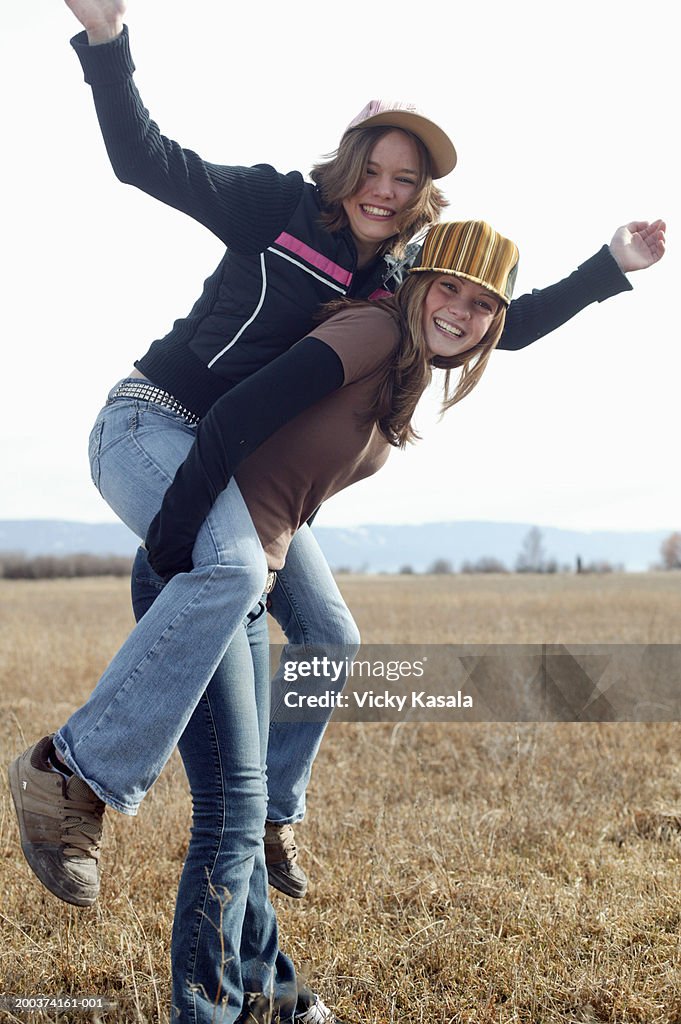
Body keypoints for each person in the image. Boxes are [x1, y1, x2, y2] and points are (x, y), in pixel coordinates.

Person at [51, 0, 666, 901]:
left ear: (423, 196)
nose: (384, 189)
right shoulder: (274, 205)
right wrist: (108, 44)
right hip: (154, 420)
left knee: (333, 636)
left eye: (405, 180)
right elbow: (146, 160)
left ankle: (270, 814)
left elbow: (501, 325)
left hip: (245, 470)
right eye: (371, 167)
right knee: (226, 573)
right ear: (345, 162)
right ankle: (74, 773)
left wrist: (607, 269)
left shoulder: (397, 280)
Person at [9, 215, 665, 1023]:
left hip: (261, 552)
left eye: (482, 304)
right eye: (449, 290)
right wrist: (182, 543)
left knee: (306, 693)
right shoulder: (372, 331)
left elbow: (510, 328)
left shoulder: (417, 351)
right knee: (228, 813)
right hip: (214, 562)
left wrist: (611, 265)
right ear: (417, 281)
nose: (464, 312)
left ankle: (273, 974)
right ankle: (212, 993)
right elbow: (231, 417)